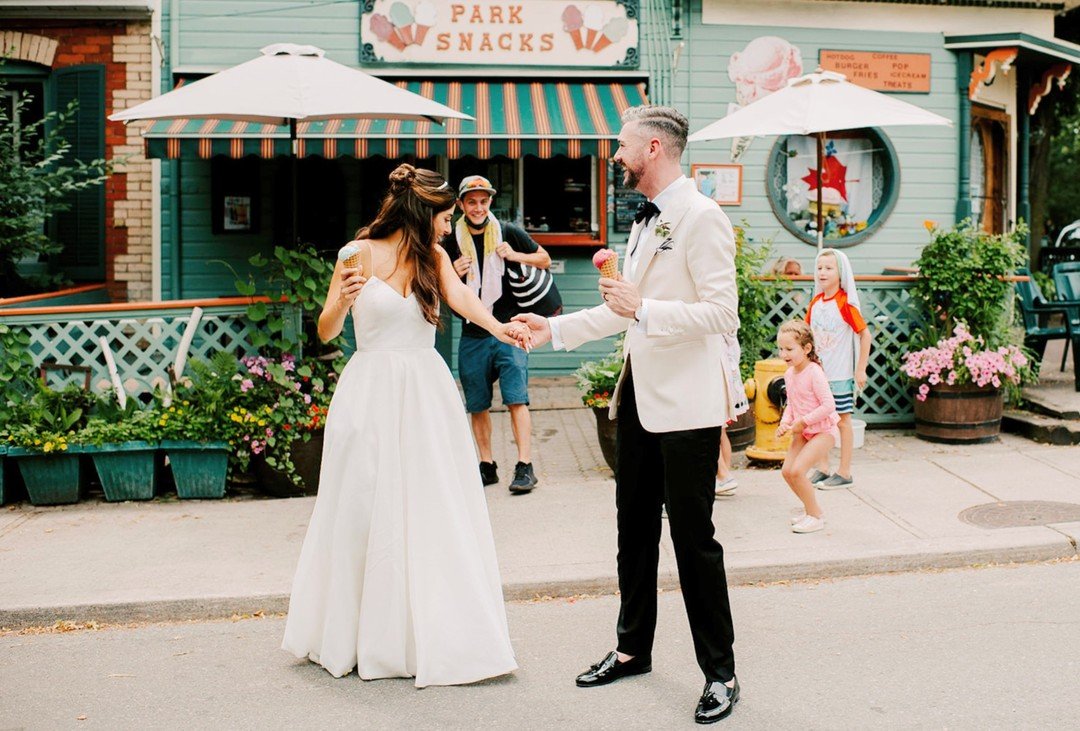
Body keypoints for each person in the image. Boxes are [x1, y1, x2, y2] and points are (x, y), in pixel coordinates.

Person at [514, 105, 742, 724]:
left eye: (623, 146)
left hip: (689, 407)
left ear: (654, 149)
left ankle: (720, 674)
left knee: (695, 543)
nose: (615, 156)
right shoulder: (644, 222)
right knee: (632, 532)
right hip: (637, 397)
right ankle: (632, 648)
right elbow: (623, 310)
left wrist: (646, 308)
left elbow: (723, 315)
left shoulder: (702, 217)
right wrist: (552, 326)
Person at [281, 165, 529, 688]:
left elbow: (465, 303)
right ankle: (357, 633)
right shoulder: (355, 254)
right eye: (444, 215)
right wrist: (343, 300)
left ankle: (425, 629)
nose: (449, 224)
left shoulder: (433, 257)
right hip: (368, 393)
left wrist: (501, 328)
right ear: (422, 212)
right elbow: (326, 330)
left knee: (427, 503)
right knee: (362, 505)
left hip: (423, 392)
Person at [441, 175, 561, 494]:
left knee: (516, 399)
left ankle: (524, 466)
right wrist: (454, 272)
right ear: (461, 205)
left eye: (483, 201)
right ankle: (486, 465)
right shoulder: (451, 240)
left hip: (511, 327)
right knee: (477, 404)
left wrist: (514, 255)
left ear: (490, 202)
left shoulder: (507, 232)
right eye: (471, 202)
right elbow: (438, 283)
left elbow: (544, 259)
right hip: (472, 332)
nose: (478, 207)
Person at [804, 248, 872, 490]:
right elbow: (806, 334)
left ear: (840, 272)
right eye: (820, 267)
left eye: (829, 268)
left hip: (840, 375)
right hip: (818, 376)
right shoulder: (815, 303)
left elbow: (865, 335)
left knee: (843, 421)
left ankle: (844, 472)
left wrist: (860, 369)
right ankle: (822, 468)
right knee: (819, 423)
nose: (823, 272)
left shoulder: (845, 304)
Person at [775, 320, 839, 534]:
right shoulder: (789, 373)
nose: (784, 354)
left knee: (798, 471)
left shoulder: (814, 372)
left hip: (823, 431)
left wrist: (803, 422)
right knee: (787, 472)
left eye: (789, 349)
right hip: (803, 430)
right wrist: (785, 423)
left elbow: (829, 405)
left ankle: (815, 515)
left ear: (807, 348)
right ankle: (810, 509)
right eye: (781, 349)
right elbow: (792, 404)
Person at [715, 333, 748, 496]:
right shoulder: (730, 326)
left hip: (719, 381)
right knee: (721, 432)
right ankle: (725, 476)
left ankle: (724, 476)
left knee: (712, 431)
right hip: (730, 379)